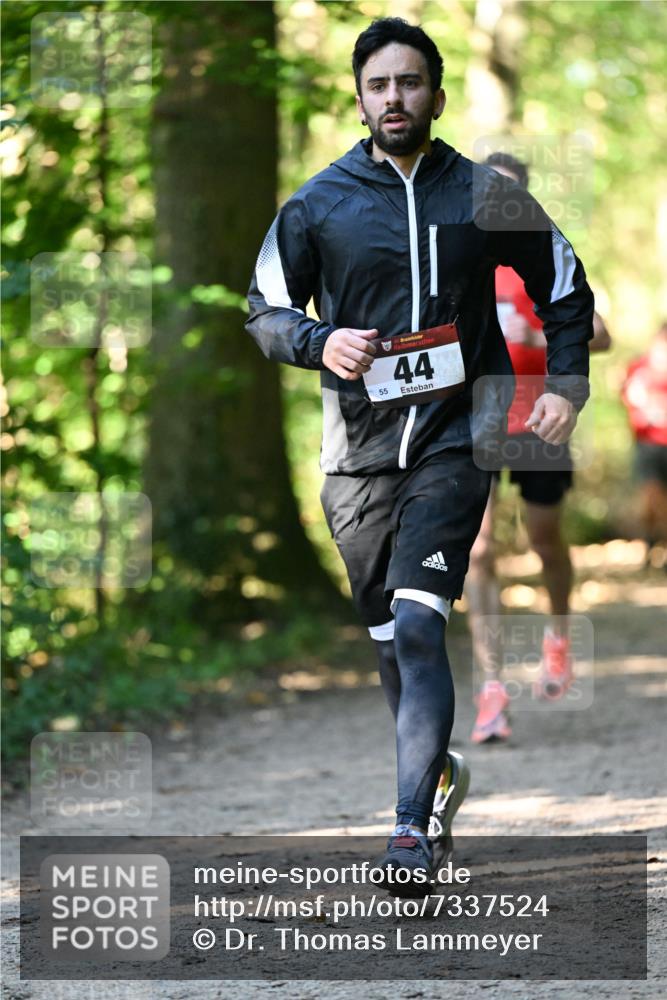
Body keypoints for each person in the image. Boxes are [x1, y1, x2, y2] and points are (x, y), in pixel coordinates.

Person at [246, 18, 594, 894]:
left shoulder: (483, 194)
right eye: (378, 85)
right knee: (389, 644)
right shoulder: (317, 203)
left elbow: (562, 282)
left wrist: (563, 384)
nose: (394, 98)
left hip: (454, 439)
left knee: (418, 620)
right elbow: (264, 309)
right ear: (358, 97)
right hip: (355, 457)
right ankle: (433, 780)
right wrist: (317, 340)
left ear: (436, 95)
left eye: (409, 83)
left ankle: (406, 830)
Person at [466, 152, 611, 745]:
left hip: (542, 424)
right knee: (476, 552)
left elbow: (598, 331)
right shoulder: (463, 260)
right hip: (478, 422)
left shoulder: (540, 257)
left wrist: (539, 334)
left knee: (544, 539)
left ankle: (558, 637)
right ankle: (491, 688)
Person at [622, 322, 667, 560]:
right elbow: (628, 395)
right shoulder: (639, 368)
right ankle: (650, 543)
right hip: (648, 444)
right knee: (651, 497)